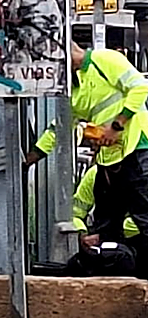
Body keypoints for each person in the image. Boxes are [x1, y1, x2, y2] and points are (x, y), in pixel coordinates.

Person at [27, 42, 148, 252]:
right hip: (110, 158)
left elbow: (139, 87)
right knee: (107, 222)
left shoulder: (106, 60)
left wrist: (117, 125)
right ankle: (113, 272)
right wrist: (31, 158)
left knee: (144, 214)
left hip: (137, 147)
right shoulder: (73, 88)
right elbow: (60, 128)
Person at [67, 164, 144, 278]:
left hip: (137, 244)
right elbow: (75, 212)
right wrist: (82, 234)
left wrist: (105, 235)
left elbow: (142, 222)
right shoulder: (94, 173)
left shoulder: (142, 175)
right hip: (106, 246)